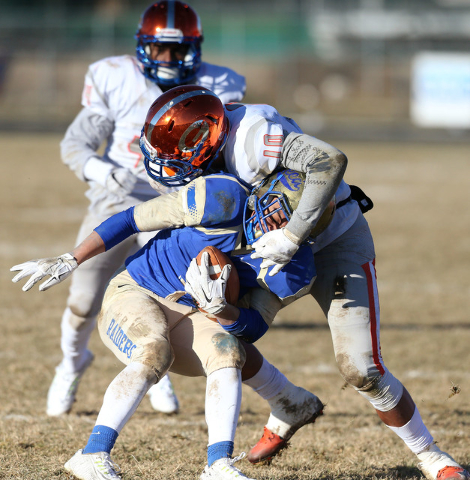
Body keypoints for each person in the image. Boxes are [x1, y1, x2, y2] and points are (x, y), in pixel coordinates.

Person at [137, 85, 470, 480]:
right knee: (223, 333)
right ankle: (288, 403)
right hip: (268, 252)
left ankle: (431, 456)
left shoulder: (253, 136)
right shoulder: (209, 154)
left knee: (361, 368)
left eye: (177, 151)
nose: (170, 163)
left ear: (206, 137)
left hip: (332, 242)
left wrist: (293, 235)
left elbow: (330, 160)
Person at [11, 171, 325, 480]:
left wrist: (224, 310)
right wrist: (72, 259)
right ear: (263, 197)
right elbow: (131, 220)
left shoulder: (294, 267)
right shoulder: (220, 200)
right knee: (153, 351)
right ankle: (92, 454)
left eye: (294, 226)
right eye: (279, 213)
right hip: (137, 290)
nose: (279, 227)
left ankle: (218, 465)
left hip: (195, 313)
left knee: (228, 351)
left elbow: (253, 329)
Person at [51, 0, 246, 417]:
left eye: (178, 50)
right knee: (85, 297)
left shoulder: (219, 84)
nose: (169, 58)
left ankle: (155, 370)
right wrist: (106, 173)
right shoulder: (116, 78)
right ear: (143, 47)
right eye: (160, 49)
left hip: (180, 207)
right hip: (117, 198)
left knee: (172, 296)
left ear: (195, 48)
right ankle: (71, 363)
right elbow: (75, 145)